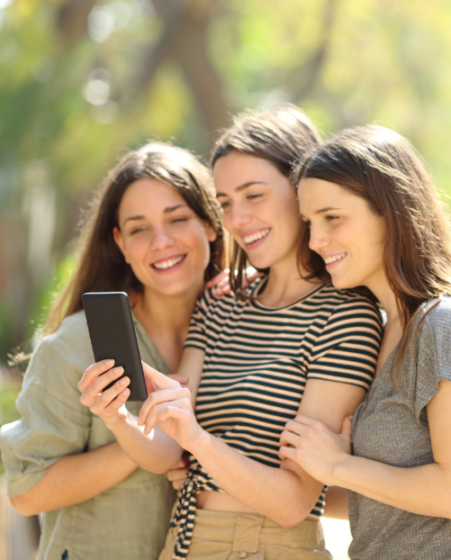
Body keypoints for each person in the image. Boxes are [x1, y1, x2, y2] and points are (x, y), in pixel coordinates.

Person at [77, 107, 384, 560]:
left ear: (304, 191)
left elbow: (292, 502)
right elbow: (167, 448)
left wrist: (199, 441)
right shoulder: (221, 301)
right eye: (224, 203)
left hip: (266, 547)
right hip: (183, 540)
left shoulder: (345, 317)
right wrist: (116, 417)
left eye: (254, 195)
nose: (237, 219)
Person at [280, 125, 451, 560]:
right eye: (309, 223)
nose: (316, 241)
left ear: (392, 210)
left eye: (333, 218)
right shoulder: (386, 326)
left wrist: (338, 465)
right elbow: (381, 505)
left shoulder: (444, 322)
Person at [0, 143, 224, 560]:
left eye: (177, 219)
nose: (161, 241)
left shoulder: (240, 329)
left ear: (211, 224)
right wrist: (147, 443)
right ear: (120, 243)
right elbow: (27, 491)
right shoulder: (76, 345)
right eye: (139, 229)